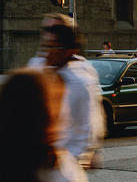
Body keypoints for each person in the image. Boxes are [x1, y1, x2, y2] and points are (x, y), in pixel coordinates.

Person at [41, 24, 105, 169]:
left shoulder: (79, 83)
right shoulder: (47, 76)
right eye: (45, 45)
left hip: (66, 164)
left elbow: (89, 126)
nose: (46, 52)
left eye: (52, 46)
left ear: (67, 51)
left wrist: (73, 160)